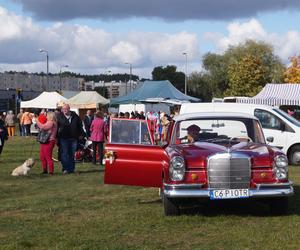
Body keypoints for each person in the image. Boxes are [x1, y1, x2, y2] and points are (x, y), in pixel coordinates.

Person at [57, 104, 84, 174]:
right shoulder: (59, 116)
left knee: (72, 154)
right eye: (63, 109)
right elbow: (56, 127)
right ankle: (65, 169)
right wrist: (56, 137)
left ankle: (71, 169)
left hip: (73, 138)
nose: (64, 110)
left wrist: (82, 134)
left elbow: (80, 125)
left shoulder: (75, 116)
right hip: (63, 138)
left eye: (66, 109)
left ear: (69, 109)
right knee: (64, 154)